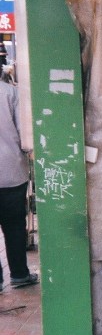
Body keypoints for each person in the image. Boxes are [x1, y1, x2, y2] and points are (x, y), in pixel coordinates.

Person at [0, 73, 39, 291]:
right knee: (14, 227)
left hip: (10, 171)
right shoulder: (11, 93)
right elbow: (26, 138)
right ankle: (19, 274)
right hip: (10, 171)